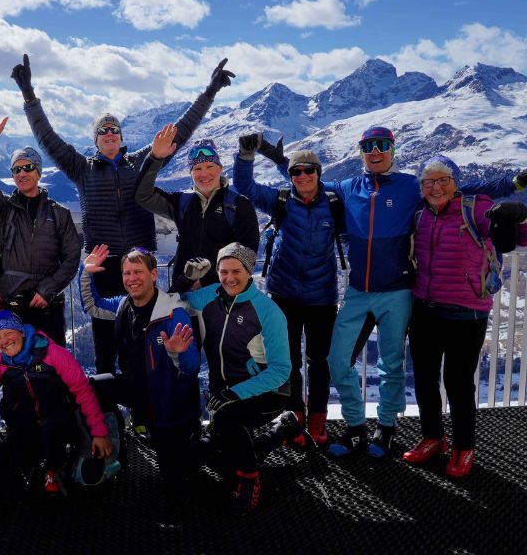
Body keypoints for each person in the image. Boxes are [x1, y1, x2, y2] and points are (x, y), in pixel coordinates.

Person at [257, 126, 525, 458]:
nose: (375, 151)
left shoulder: (412, 185)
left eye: (382, 145)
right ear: (361, 152)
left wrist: (513, 184)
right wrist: (280, 160)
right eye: (368, 146)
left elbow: (458, 188)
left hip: (397, 291)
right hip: (358, 290)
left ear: (392, 150)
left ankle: (385, 430)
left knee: (392, 364)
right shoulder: (347, 186)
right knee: (336, 359)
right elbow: (307, 180)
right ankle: (355, 427)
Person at [12, 53, 234, 373]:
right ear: (96, 140)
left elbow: (179, 133)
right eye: (103, 131)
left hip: (140, 264)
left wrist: (209, 91)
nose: (110, 133)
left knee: (144, 342)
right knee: (105, 345)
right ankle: (107, 417)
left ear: (121, 136)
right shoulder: (81, 168)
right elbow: (47, 138)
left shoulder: (141, 163)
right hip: (103, 266)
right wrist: (29, 96)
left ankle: (144, 416)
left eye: (114, 129)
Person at [404, 156, 527, 477]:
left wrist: (517, 216)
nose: (436, 187)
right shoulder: (419, 214)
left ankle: (464, 446)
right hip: (424, 309)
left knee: (458, 384)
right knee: (424, 379)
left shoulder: (474, 209)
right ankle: (432, 437)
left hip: (466, 312)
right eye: (429, 181)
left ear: (456, 183)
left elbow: (515, 235)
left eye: (443, 180)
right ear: (421, 187)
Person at [181, 243, 303, 514]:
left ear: (249, 272)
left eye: (236, 271)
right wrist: (188, 279)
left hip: (270, 392)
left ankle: (250, 481)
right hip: (224, 393)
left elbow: (282, 370)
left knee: (230, 421)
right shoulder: (211, 295)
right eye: (223, 271)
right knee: (221, 457)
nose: (229, 278)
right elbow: (179, 299)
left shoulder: (268, 312)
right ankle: (281, 433)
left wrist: (235, 394)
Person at [233, 145, 341, 446]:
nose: (303, 175)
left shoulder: (333, 201)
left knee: (319, 360)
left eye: (309, 170)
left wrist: (283, 160)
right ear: (290, 175)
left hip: (322, 296)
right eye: (296, 171)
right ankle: (295, 417)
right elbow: (244, 186)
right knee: (288, 360)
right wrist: (244, 157)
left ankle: (318, 418)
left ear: (319, 172)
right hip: (284, 293)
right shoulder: (280, 200)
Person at [0, 309, 111, 495]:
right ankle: (30, 469)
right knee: (3, 464)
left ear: (22, 332)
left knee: (52, 428)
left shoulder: (53, 354)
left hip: (61, 420)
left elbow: (83, 392)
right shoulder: (2, 363)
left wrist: (99, 433)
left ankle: (53, 471)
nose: (4, 341)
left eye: (8, 333)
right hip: (29, 425)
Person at [80, 245, 201, 490]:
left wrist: (177, 354)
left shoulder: (172, 315)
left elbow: (191, 369)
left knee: (175, 478)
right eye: (127, 273)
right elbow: (93, 306)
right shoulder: (124, 304)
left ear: (153, 275)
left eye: (138, 272)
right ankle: (112, 448)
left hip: (168, 404)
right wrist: (86, 272)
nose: (131, 279)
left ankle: (199, 444)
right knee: (91, 388)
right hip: (137, 389)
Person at [0, 103, 81, 347]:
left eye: (27, 167)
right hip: (12, 303)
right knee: (15, 365)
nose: (21, 173)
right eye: (16, 169)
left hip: (47, 304)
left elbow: (72, 257)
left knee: (51, 364)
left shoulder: (59, 213)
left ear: (38, 172)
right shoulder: (4, 210)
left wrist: (48, 289)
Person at [134, 133, 259, 293]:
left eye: (210, 166)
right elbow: (142, 195)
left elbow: (247, 253)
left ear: (220, 168)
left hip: (223, 292)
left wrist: (206, 280)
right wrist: (155, 157)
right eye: (197, 168)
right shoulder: (182, 202)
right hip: (185, 290)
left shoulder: (238, 204)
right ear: (191, 173)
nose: (204, 174)